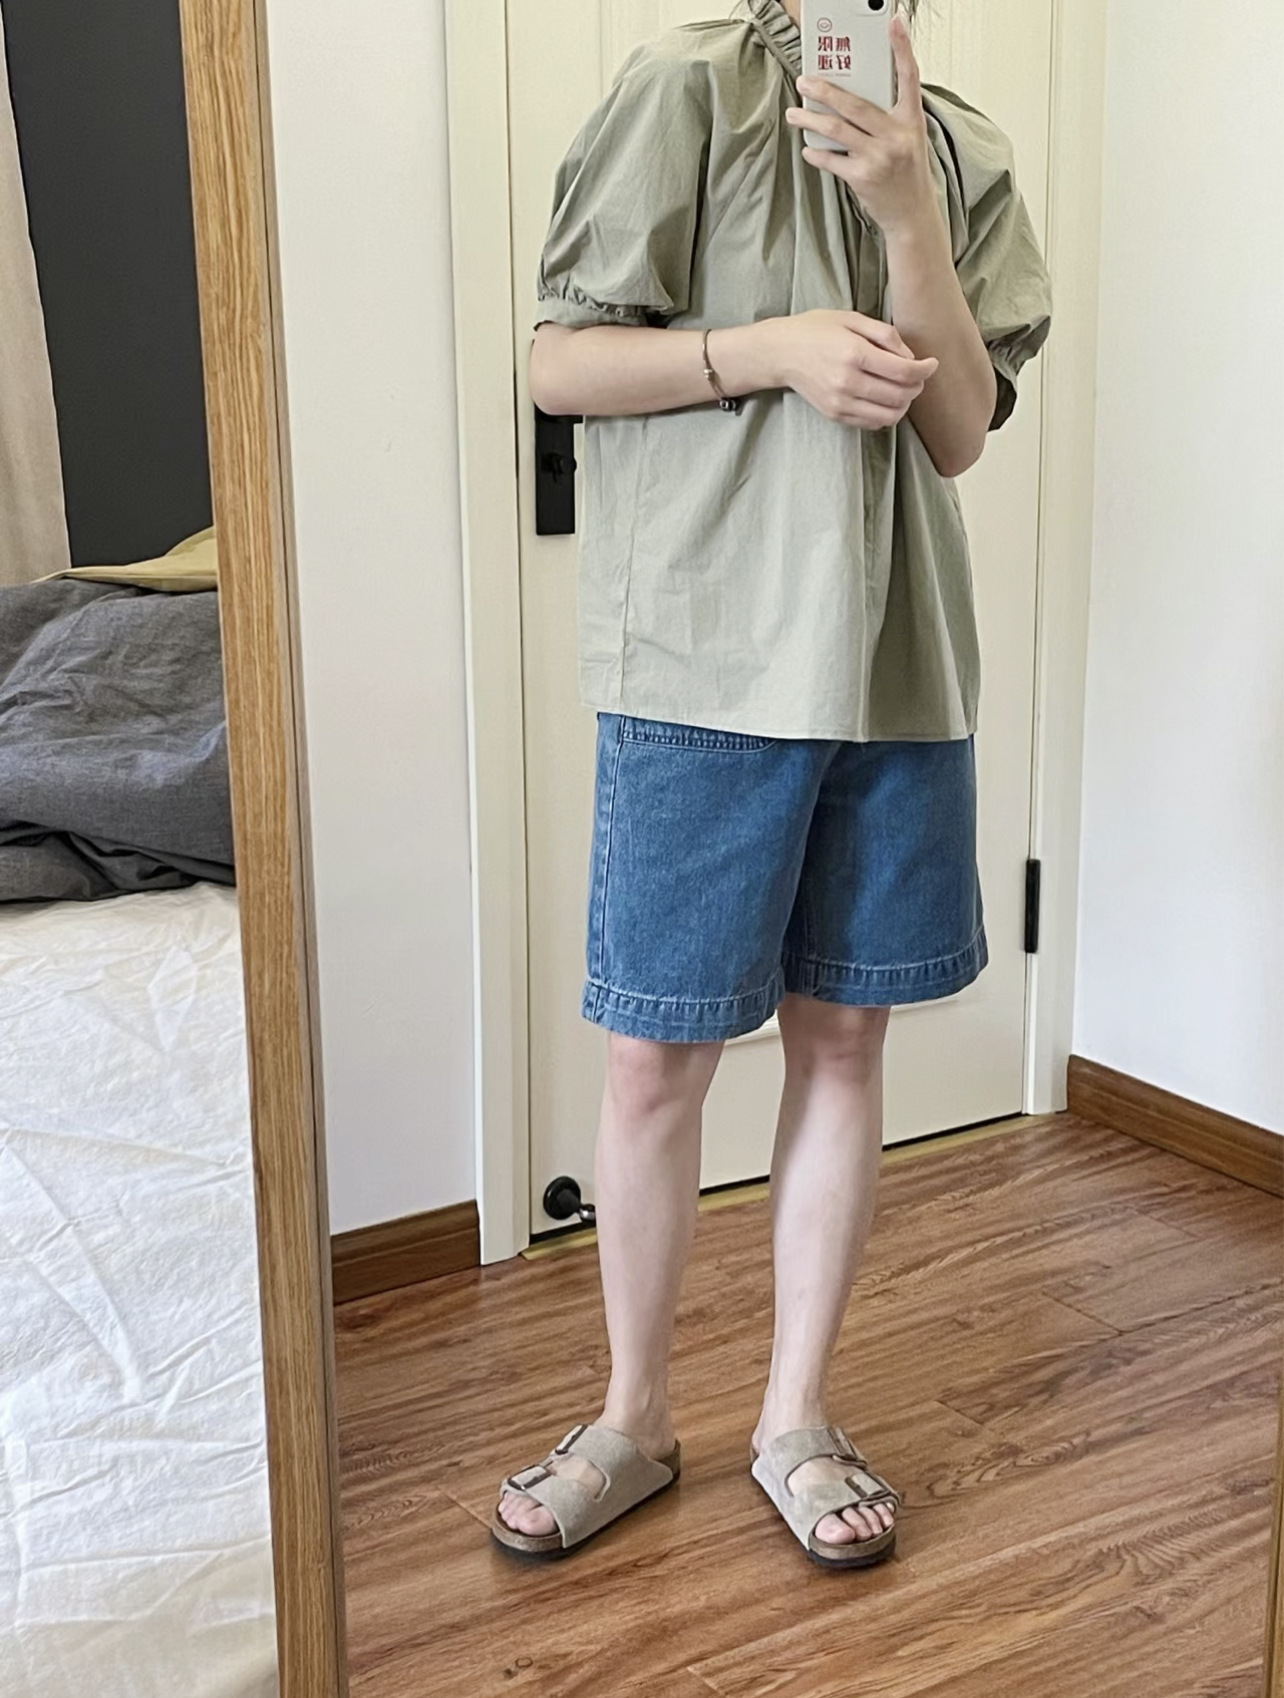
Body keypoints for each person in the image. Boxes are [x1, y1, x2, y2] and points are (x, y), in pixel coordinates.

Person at [491, 0, 1052, 1568]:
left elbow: (959, 435)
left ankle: (793, 1414)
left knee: (846, 1038)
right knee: (654, 1060)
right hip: (700, 662)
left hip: (893, 665)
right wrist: (772, 350)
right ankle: (634, 1416)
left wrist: (909, 211)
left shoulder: (966, 150)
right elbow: (557, 363)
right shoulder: (686, 88)